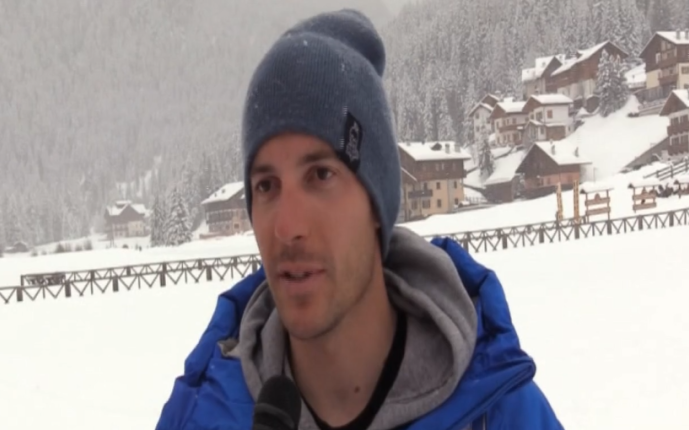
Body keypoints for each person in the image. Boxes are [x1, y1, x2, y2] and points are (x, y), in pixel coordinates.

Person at [155, 9, 563, 430]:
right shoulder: (200, 417)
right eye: (266, 186)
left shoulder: (500, 413)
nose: (287, 227)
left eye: (320, 175)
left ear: (376, 204)